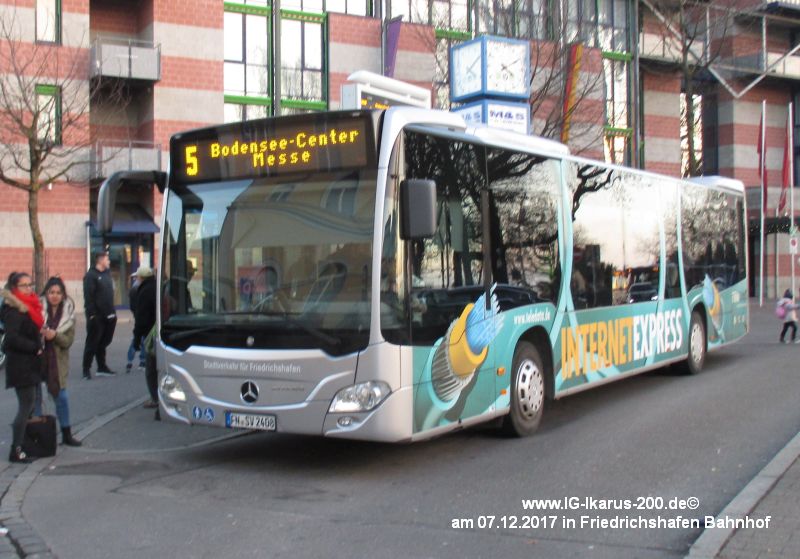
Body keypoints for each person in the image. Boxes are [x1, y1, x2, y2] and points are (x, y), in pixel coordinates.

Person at [0, 272, 43, 463]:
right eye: (23, 285)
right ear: (14, 288)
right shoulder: (14, 310)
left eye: (30, 284)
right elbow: (11, 339)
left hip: (29, 364)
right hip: (21, 365)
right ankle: (16, 449)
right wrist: (34, 347)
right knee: (26, 406)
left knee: (30, 404)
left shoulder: (29, 306)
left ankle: (22, 445)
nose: (28, 289)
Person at [39, 277, 81, 446]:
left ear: (63, 295)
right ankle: (38, 438)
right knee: (36, 399)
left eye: (58, 292)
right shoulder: (37, 311)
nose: (54, 296)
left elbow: (68, 342)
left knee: (61, 398)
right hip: (37, 360)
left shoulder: (69, 315)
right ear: (46, 293)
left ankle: (66, 434)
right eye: (51, 292)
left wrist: (54, 335)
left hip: (57, 363)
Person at [82, 251, 117, 378]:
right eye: (107, 259)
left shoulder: (107, 273)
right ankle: (86, 369)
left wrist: (112, 312)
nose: (109, 261)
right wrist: (92, 315)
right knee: (92, 343)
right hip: (97, 316)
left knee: (104, 342)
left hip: (109, 315)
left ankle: (102, 367)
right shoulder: (90, 276)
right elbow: (89, 297)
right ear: (100, 260)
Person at [132, 266, 156, 377]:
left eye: (137, 277)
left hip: (149, 330)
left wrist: (136, 338)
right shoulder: (156, 286)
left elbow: (141, 317)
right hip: (157, 326)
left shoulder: (144, 291)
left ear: (141, 278)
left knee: (151, 358)